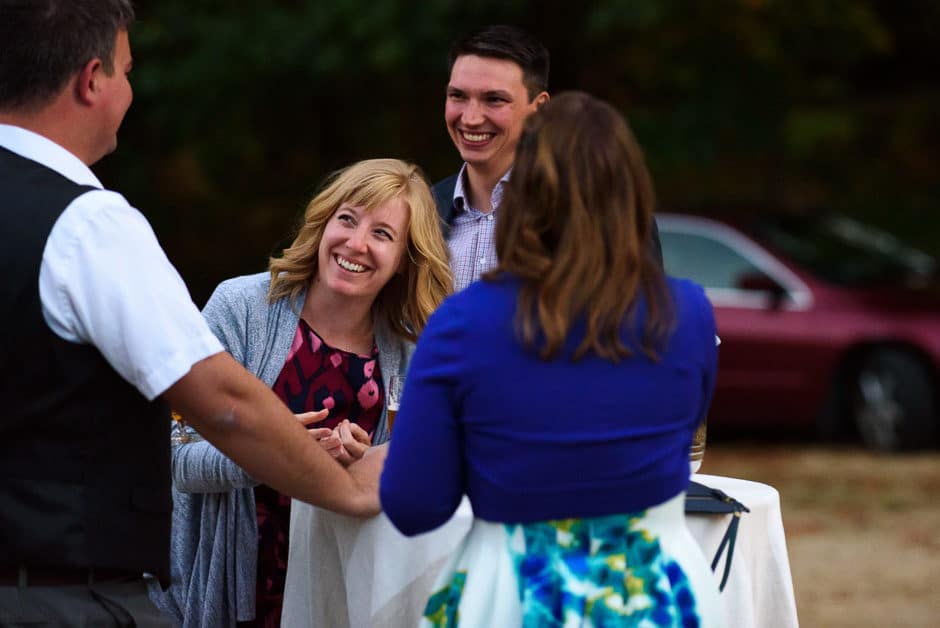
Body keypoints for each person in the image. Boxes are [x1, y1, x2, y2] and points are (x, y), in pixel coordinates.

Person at [0, 1, 383, 624]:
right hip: (58, 595)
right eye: (125, 72)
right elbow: (224, 403)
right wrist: (347, 484)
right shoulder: (86, 225)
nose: (128, 90)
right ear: (91, 79)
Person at [381, 92, 724, 626]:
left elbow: (413, 505)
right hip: (655, 591)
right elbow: (676, 442)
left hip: (514, 591)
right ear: (630, 191)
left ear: (522, 194)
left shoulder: (462, 324)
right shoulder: (690, 315)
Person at [154, 159, 452, 627]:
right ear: (323, 223)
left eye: (382, 234)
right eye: (347, 219)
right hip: (231, 588)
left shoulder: (410, 352)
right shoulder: (240, 308)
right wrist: (268, 452)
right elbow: (173, 458)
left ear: (403, 261)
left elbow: (416, 479)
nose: (356, 243)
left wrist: (366, 461)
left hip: (336, 591)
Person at [432, 25, 662, 291]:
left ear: (538, 108)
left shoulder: (597, 209)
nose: (471, 118)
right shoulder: (422, 210)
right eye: (457, 96)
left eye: (494, 99)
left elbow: (646, 322)